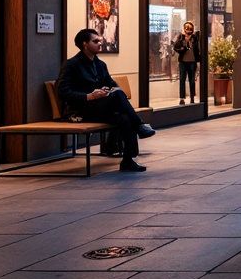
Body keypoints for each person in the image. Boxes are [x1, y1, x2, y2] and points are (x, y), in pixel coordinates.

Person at [57, 28, 156, 172]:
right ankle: (139, 125)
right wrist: (89, 96)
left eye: (100, 40)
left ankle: (128, 159)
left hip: (99, 107)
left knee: (124, 117)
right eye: (95, 41)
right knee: (117, 97)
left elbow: (113, 85)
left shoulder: (100, 65)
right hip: (80, 110)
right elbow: (63, 92)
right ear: (85, 44)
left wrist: (107, 91)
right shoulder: (72, 64)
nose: (100, 43)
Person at [173, 20, 200, 105]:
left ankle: (192, 97)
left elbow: (198, 48)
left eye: (190, 28)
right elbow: (175, 46)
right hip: (183, 62)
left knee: (192, 81)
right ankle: (182, 98)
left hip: (192, 61)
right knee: (182, 80)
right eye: (186, 28)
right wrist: (182, 45)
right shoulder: (181, 37)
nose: (188, 29)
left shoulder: (195, 38)